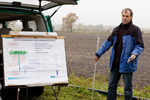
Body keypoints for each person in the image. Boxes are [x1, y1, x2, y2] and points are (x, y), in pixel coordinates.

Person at [94, 8, 144, 100]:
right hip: (115, 64)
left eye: (127, 16)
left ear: (131, 17)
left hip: (127, 64)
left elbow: (140, 46)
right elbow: (107, 43)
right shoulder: (116, 29)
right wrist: (98, 54)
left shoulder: (135, 30)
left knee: (127, 89)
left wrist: (134, 54)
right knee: (111, 86)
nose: (124, 18)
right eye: (123, 16)